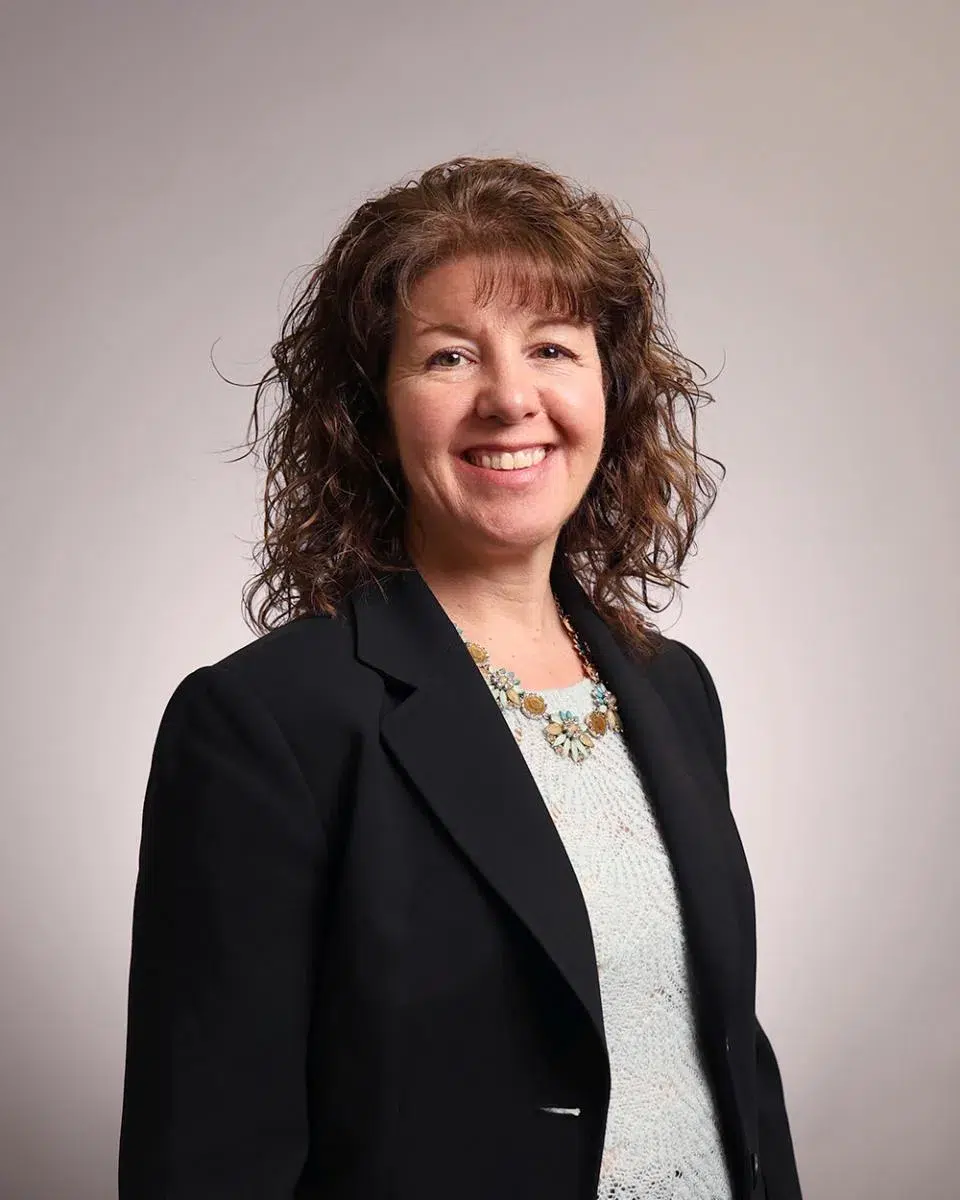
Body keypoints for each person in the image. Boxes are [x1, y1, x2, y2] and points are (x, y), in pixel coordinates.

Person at [118, 155, 803, 1200]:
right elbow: (208, 1160)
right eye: (447, 357)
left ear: (607, 390)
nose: (511, 398)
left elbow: (729, 1068)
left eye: (553, 348)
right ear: (371, 411)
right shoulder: (265, 723)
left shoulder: (675, 694)